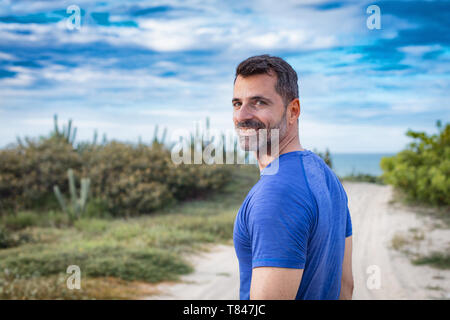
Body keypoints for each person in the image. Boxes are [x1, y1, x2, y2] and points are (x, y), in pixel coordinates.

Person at [232, 54, 353, 300]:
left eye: (258, 102)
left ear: (293, 110)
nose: (242, 115)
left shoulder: (276, 195)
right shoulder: (326, 176)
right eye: (237, 103)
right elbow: (345, 286)